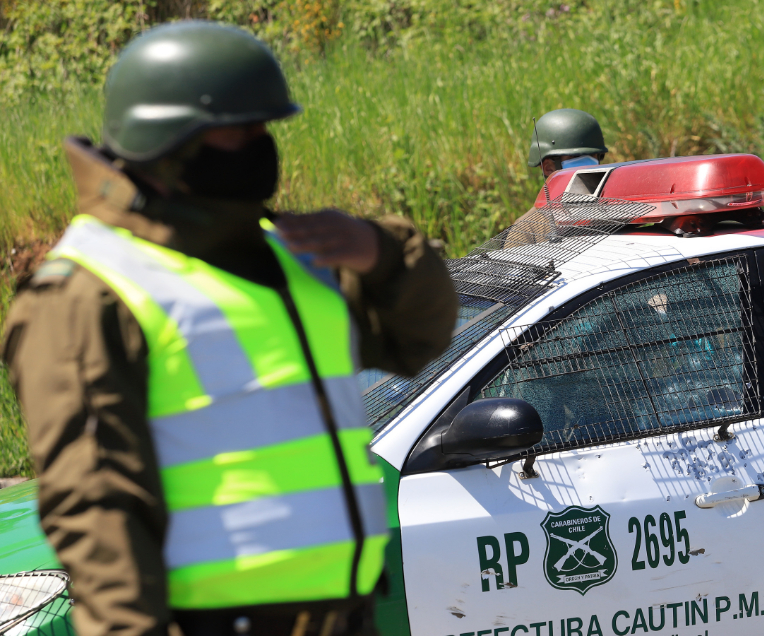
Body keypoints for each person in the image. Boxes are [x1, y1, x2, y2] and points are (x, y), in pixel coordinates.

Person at [0, 21, 457, 636]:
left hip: (343, 616)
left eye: (265, 127)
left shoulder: (291, 256)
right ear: (166, 140)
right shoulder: (89, 290)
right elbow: (96, 508)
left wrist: (382, 251)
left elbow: (419, 338)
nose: (260, 143)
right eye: (239, 129)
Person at [505, 109, 609, 248]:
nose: (588, 163)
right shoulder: (527, 231)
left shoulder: (618, 211)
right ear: (548, 167)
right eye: (575, 157)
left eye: (593, 156)